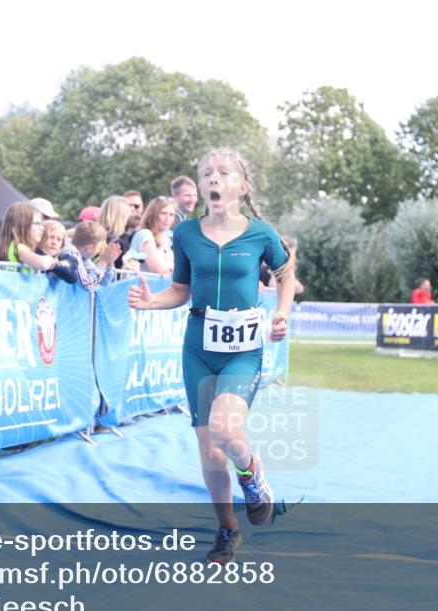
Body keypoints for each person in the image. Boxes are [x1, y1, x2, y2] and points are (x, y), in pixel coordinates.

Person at [128, 148, 296, 564]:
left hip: (243, 350)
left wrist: (281, 314)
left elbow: (286, 274)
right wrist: (152, 303)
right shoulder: (186, 234)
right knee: (208, 449)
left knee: (225, 430)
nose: (213, 179)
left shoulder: (261, 233)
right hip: (198, 348)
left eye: (223, 173)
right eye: (206, 174)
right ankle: (227, 530)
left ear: (242, 187)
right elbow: (181, 290)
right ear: (201, 186)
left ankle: (251, 470)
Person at [0, 202, 59, 271]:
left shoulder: (19, 247)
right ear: (23, 226)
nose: (42, 228)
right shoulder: (19, 247)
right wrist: (52, 261)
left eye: (42, 224)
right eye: (37, 223)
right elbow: (42, 263)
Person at [60, 221, 123, 290]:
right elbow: (87, 284)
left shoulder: (83, 256)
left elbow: (102, 283)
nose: (101, 249)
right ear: (89, 248)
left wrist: (109, 262)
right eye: (99, 247)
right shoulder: (71, 254)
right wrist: (103, 262)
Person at [128, 196, 175, 276]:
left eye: (171, 215)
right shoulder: (144, 234)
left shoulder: (166, 238)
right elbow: (157, 268)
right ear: (153, 214)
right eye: (163, 213)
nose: (167, 218)